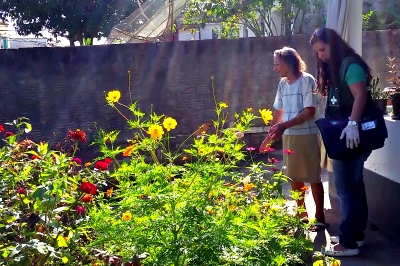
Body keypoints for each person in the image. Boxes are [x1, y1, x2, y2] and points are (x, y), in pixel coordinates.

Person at [310, 28, 372, 257]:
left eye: (323, 50)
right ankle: (355, 236)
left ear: (334, 45)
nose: (321, 56)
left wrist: (353, 124)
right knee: (354, 187)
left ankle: (348, 243)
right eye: (317, 52)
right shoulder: (338, 68)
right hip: (344, 135)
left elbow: (361, 95)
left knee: (347, 189)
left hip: (352, 136)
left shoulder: (351, 66)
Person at [259, 46, 327, 232]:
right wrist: (269, 137)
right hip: (289, 136)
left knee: (312, 176)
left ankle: (320, 217)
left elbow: (309, 111)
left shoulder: (307, 81)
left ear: (289, 63)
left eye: (277, 64)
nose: (275, 68)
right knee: (293, 176)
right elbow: (279, 112)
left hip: (307, 135)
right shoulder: (282, 84)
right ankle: (301, 214)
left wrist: (283, 127)